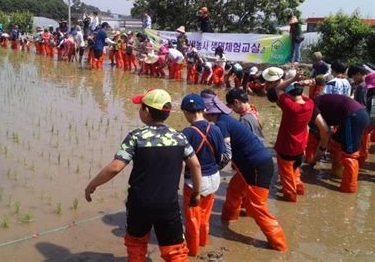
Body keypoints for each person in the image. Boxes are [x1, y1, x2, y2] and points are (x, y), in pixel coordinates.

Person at [85, 88, 202, 261]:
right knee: (175, 251)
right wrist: (197, 192)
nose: (140, 110)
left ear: (146, 112)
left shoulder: (136, 137)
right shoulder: (179, 138)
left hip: (139, 205)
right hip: (168, 205)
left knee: (136, 245)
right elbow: (196, 165)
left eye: (141, 107)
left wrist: (92, 185)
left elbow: (115, 167)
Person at [200, 90, 287, 251]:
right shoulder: (224, 120)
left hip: (257, 166)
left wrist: (210, 172)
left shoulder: (221, 124)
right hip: (249, 165)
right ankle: (228, 219)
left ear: (206, 111)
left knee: (256, 207)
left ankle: (279, 244)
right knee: (234, 189)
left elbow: (226, 155)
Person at [180, 93, 230, 256]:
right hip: (214, 178)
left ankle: (193, 251)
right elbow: (221, 155)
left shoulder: (186, 133)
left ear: (186, 112)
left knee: (192, 219)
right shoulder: (215, 129)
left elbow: (181, 162)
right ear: (203, 110)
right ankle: (203, 241)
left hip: (194, 182)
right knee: (205, 214)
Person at [268, 74, 314, 202]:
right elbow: (285, 91)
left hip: (287, 147)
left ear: (289, 95)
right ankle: (299, 189)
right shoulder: (310, 104)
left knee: (287, 176)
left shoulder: (290, 107)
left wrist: (294, 79)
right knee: (295, 170)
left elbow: (278, 89)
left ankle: (290, 198)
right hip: (301, 146)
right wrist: (300, 83)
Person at [311, 94, 370, 193]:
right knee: (335, 142)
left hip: (354, 117)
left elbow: (325, 132)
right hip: (357, 115)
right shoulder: (317, 104)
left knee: (350, 155)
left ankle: (349, 188)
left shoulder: (312, 107)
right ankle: (337, 171)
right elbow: (325, 134)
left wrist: (320, 151)